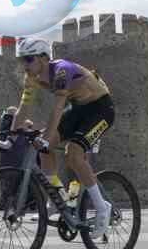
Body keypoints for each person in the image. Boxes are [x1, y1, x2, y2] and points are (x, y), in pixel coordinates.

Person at [11, 37, 117, 237]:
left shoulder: (62, 70)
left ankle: (102, 207)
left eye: (28, 59)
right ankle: (58, 198)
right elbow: (23, 108)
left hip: (100, 109)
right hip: (78, 109)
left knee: (73, 154)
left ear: (43, 58)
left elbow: (58, 109)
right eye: (21, 60)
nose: (24, 65)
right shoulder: (31, 78)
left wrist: (46, 138)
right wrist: (11, 137)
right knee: (43, 147)